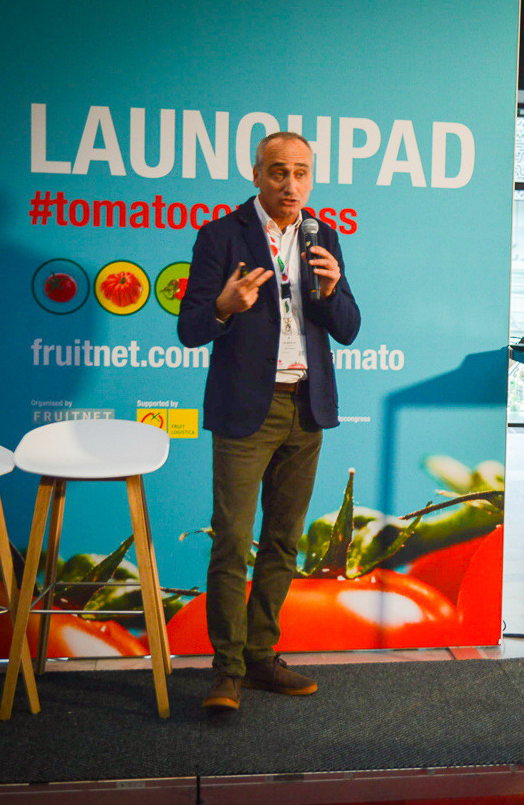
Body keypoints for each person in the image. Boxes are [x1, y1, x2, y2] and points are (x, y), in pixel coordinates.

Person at [178, 131, 361, 711]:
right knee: (233, 541)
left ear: (312, 179)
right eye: (279, 172)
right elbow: (190, 328)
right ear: (256, 174)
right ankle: (227, 669)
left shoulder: (321, 235)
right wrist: (224, 307)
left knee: (283, 540)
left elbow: (349, 327)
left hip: (307, 406)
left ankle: (260, 657)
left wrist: (330, 291)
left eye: (301, 173)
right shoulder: (220, 235)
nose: (291, 184)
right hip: (245, 409)